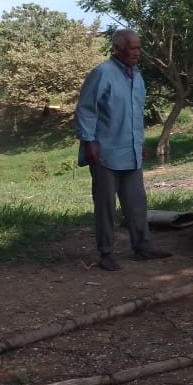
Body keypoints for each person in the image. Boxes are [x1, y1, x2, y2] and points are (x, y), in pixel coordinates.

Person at [75, 29, 172, 271]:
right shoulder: (102, 73)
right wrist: (89, 142)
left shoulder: (137, 76)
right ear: (117, 49)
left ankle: (143, 247)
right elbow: (86, 110)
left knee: (137, 202)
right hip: (104, 152)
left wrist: (139, 144)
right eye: (132, 48)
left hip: (130, 151)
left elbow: (135, 114)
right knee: (106, 205)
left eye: (139, 48)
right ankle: (106, 253)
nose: (137, 53)